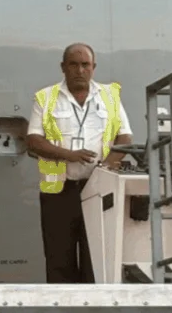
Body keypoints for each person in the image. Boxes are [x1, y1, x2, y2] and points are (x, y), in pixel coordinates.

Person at [25, 43, 133, 284]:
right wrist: (68, 155)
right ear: (63, 67)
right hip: (59, 192)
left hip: (98, 190)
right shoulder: (46, 97)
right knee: (58, 260)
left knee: (95, 258)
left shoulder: (110, 96)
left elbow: (125, 139)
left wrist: (103, 170)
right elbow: (33, 140)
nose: (80, 70)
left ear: (94, 67)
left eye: (85, 65)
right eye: (73, 64)